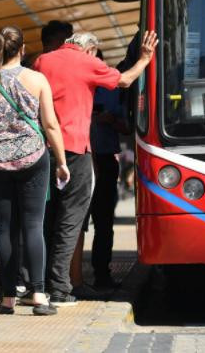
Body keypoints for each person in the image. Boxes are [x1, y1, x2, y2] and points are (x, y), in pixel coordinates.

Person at [33, 30, 158, 306]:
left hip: (43, 150)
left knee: (46, 220)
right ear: (90, 50)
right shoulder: (87, 62)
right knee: (71, 221)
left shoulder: (43, 61)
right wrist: (145, 59)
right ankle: (60, 289)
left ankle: (38, 285)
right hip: (75, 150)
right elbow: (124, 80)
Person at [0, 26, 69, 316]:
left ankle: (8, 299)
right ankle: (38, 295)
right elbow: (50, 124)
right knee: (32, 226)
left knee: (6, 229)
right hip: (33, 159)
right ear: (22, 49)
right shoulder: (36, 79)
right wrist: (62, 161)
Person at [89, 51, 128, 289]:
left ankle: (102, 273)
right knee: (69, 222)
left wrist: (110, 120)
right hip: (77, 158)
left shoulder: (113, 90)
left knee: (103, 223)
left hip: (104, 159)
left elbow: (127, 127)